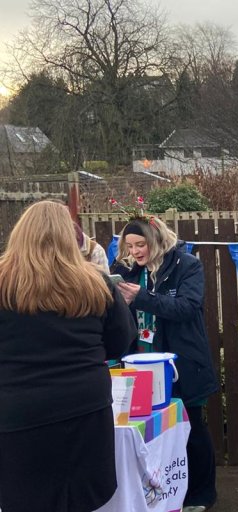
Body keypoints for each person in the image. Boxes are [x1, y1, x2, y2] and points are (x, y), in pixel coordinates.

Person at [0, 200, 135, 512]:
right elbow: (121, 342)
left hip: (19, 414)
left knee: (26, 500)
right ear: (69, 237)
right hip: (85, 410)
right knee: (83, 499)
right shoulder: (95, 281)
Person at [111, 215, 218, 512]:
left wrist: (142, 297)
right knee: (149, 434)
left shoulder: (186, 265)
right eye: (129, 246)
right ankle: (162, 493)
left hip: (182, 365)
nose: (135, 252)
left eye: (140, 244)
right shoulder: (124, 270)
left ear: (155, 241)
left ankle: (201, 495)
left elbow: (187, 307)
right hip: (138, 365)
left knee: (192, 430)